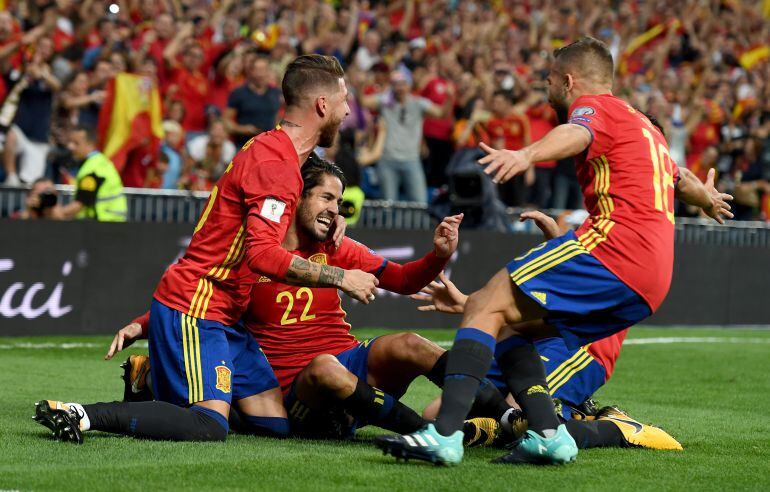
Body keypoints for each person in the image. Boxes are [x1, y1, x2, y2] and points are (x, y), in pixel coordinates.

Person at [375, 37, 733, 466]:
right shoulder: (647, 130)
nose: (546, 87)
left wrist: (527, 154)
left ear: (568, 80)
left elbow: (576, 132)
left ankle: (444, 437)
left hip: (616, 250)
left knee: (489, 301)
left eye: (548, 79)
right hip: (652, 273)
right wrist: (707, 200)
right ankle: (548, 434)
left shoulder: (598, 107)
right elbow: (683, 177)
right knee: (508, 325)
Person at [32, 54, 379, 444]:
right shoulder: (276, 163)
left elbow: (301, 211)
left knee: (276, 424)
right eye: (345, 99)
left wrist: (332, 221)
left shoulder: (281, 154)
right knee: (209, 425)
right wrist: (341, 276)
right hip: (201, 303)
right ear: (322, 104)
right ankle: (83, 414)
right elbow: (263, 255)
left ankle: (152, 377)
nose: (349, 109)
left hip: (229, 311)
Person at [111, 157, 469, 441]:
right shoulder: (256, 255)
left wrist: (438, 254)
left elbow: (404, 279)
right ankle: (433, 434)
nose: (335, 209)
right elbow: (201, 299)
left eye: (339, 202)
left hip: (348, 359)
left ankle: (500, 411)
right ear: (296, 197)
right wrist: (141, 324)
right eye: (326, 198)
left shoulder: (337, 246)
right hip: (295, 385)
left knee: (410, 343)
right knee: (324, 369)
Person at [361, 70, 450, 204]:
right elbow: (364, 102)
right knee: (388, 206)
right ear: (392, 86)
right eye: (396, 84)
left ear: (409, 85)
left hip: (411, 160)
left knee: (420, 204)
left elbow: (441, 113)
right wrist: (360, 85)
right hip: (387, 160)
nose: (400, 87)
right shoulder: (385, 101)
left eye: (403, 84)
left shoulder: (419, 103)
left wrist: (449, 97)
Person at [50, 126, 127, 222]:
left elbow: (82, 201)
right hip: (109, 222)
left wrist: (60, 213)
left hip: (104, 223)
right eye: (70, 142)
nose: (70, 147)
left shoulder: (93, 168)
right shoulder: (97, 162)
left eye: (76, 143)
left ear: (90, 144)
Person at [225, 55, 281, 148]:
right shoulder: (239, 93)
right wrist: (243, 129)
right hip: (244, 145)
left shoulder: (276, 93)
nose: (261, 74)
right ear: (250, 71)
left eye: (264, 69)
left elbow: (277, 117)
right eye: (258, 70)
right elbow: (225, 120)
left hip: (268, 145)